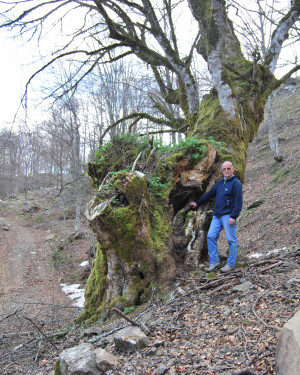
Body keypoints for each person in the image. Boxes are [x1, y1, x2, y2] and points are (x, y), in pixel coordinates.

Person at [189, 161, 243, 273]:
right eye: (224, 169)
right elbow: (209, 195)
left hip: (228, 216)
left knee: (231, 240)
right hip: (217, 215)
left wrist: (234, 216)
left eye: (228, 168)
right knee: (210, 236)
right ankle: (214, 262)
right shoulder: (219, 183)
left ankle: (231, 264)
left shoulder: (236, 183)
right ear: (222, 171)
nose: (226, 171)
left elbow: (239, 202)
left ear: (232, 169)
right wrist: (197, 203)